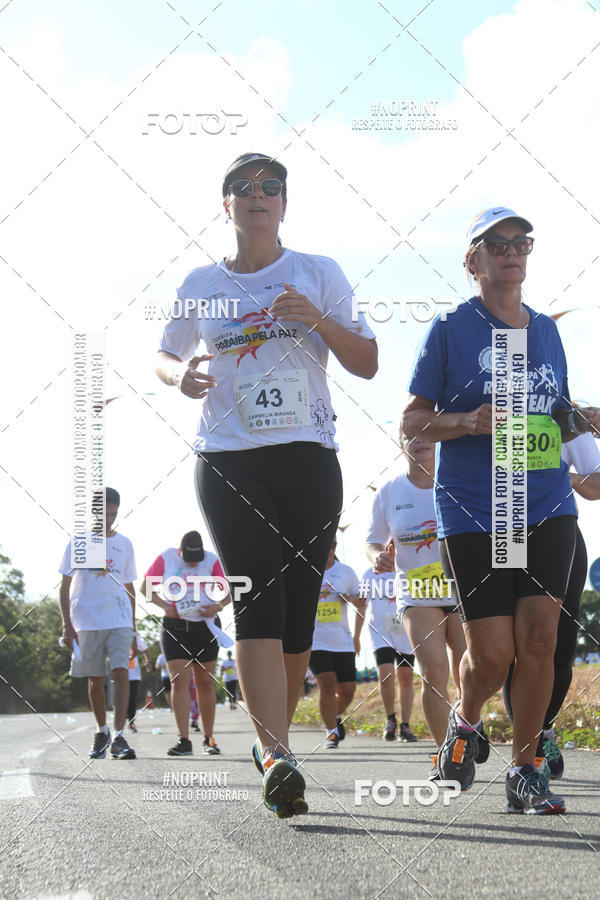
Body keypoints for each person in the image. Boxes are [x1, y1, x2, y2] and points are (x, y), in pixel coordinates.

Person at [155, 152, 377, 817]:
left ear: (285, 203)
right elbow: (163, 353)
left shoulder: (318, 272)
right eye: (243, 189)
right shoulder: (201, 283)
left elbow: (366, 361)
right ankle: (276, 752)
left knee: (297, 613)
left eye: (270, 188)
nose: (258, 196)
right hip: (230, 457)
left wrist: (318, 320)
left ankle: (272, 744)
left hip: (309, 455)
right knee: (256, 593)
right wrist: (180, 376)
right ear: (226, 207)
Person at [403, 206, 600, 814]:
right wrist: (466, 421)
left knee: (540, 638)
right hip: (476, 510)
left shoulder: (545, 331)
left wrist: (586, 430)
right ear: (474, 261)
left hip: (544, 502)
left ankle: (525, 771)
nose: (512, 251)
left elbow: (557, 407)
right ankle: (466, 723)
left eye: (522, 242)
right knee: (491, 655)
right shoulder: (448, 330)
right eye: (497, 243)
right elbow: (411, 422)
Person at [365, 432, 469, 778]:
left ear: (440, 440)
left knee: (474, 669)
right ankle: (448, 758)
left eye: (428, 434)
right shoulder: (390, 492)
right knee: (434, 672)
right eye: (411, 436)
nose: (420, 441)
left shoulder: (457, 478)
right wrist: (379, 557)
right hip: (417, 592)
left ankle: (469, 725)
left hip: (461, 587)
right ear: (400, 443)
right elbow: (372, 541)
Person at [503, 426, 600, 778]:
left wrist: (560, 477)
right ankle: (526, 751)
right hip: (508, 528)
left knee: (558, 648)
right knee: (516, 644)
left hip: (559, 531)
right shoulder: (493, 402)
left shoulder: (566, 416)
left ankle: (544, 730)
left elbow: (596, 485)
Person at [59, 487, 137, 760]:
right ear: (93, 511)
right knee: (96, 680)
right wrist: (67, 626)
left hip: (119, 618)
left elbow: (129, 587)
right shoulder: (78, 542)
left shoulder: (125, 544)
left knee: (121, 673)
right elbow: (65, 586)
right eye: (105, 513)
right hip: (87, 619)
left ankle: (118, 737)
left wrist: (135, 629)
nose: (110, 519)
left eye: (114, 514)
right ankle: (101, 730)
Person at [140, 531, 232, 757]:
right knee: (179, 681)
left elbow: (232, 591)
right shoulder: (167, 557)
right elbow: (145, 588)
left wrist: (217, 606)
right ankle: (184, 740)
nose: (193, 563)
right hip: (175, 626)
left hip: (205, 625)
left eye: (196, 559)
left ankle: (209, 738)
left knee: (204, 682)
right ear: (181, 551)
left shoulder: (211, 560)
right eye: (189, 559)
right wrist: (165, 606)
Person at [360, 546, 419, 745]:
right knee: (386, 676)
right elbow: (361, 603)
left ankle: (406, 725)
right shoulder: (370, 573)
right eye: (386, 548)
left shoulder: (408, 568)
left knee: (406, 677)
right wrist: (355, 637)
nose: (389, 552)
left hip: (405, 629)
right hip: (380, 631)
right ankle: (390, 719)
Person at [309, 539, 364, 748]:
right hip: (316, 640)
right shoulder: (308, 571)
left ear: (334, 549)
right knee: (327, 681)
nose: (328, 552)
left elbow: (362, 602)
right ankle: (331, 732)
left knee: (348, 690)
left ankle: (332, 716)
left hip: (342, 640)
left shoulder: (346, 572)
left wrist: (349, 598)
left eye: (331, 548)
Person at [127, 633, 151, 732]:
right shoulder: (113, 631)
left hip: (133, 674)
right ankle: (119, 725)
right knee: (120, 699)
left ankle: (131, 722)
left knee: (132, 699)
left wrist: (148, 661)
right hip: (119, 672)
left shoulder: (134, 637)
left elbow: (145, 649)